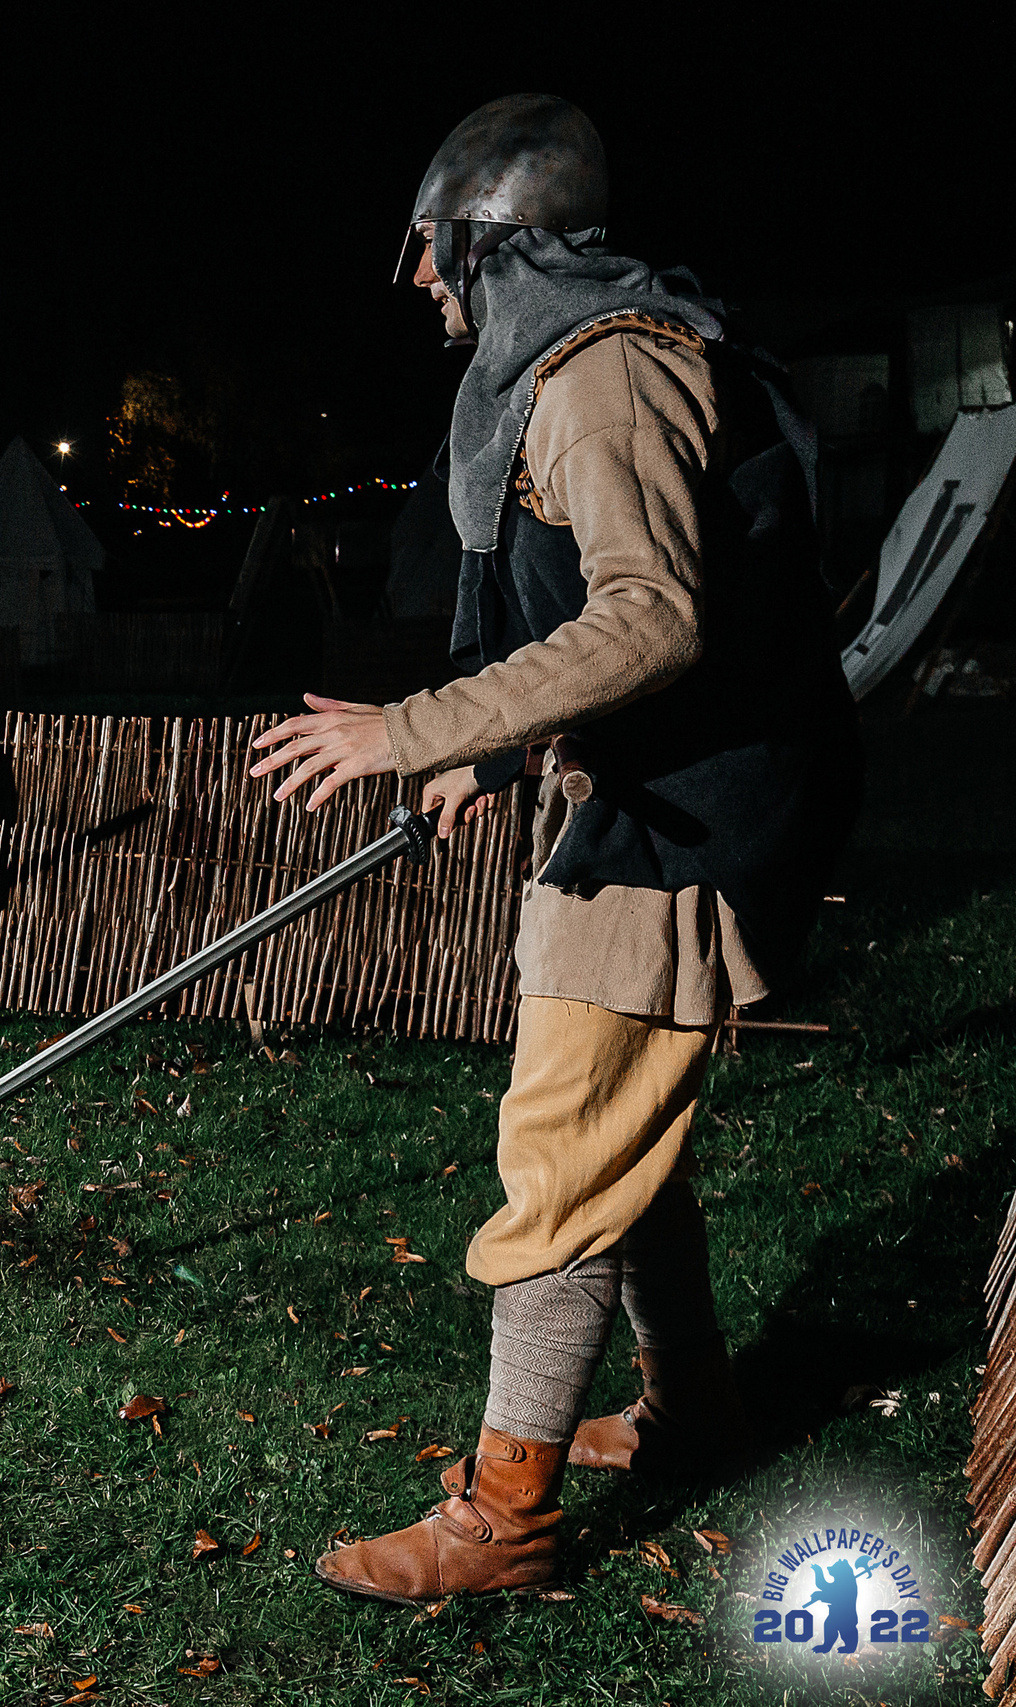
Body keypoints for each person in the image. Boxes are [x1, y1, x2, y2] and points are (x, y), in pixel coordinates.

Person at [248, 94, 859, 1604]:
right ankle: (690, 1403)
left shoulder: (605, 380)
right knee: (622, 1149)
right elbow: (619, 630)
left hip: (690, 822)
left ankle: (503, 1516)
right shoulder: (583, 369)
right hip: (656, 792)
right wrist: (511, 748)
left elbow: (653, 619)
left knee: (561, 1147)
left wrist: (418, 729)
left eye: (434, 251)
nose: (421, 283)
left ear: (493, 240)